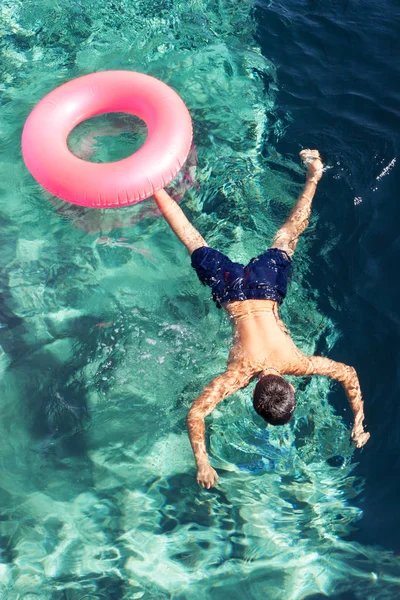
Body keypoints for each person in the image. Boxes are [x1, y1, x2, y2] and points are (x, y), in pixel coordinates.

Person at [153, 150, 370, 489]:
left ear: (288, 389)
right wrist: (203, 463)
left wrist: (359, 420)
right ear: (252, 394)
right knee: (193, 240)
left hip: (267, 288)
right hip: (231, 292)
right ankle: (153, 187)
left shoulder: (296, 363)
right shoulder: (238, 375)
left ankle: (314, 175)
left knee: (286, 237)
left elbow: (348, 374)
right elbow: (196, 414)